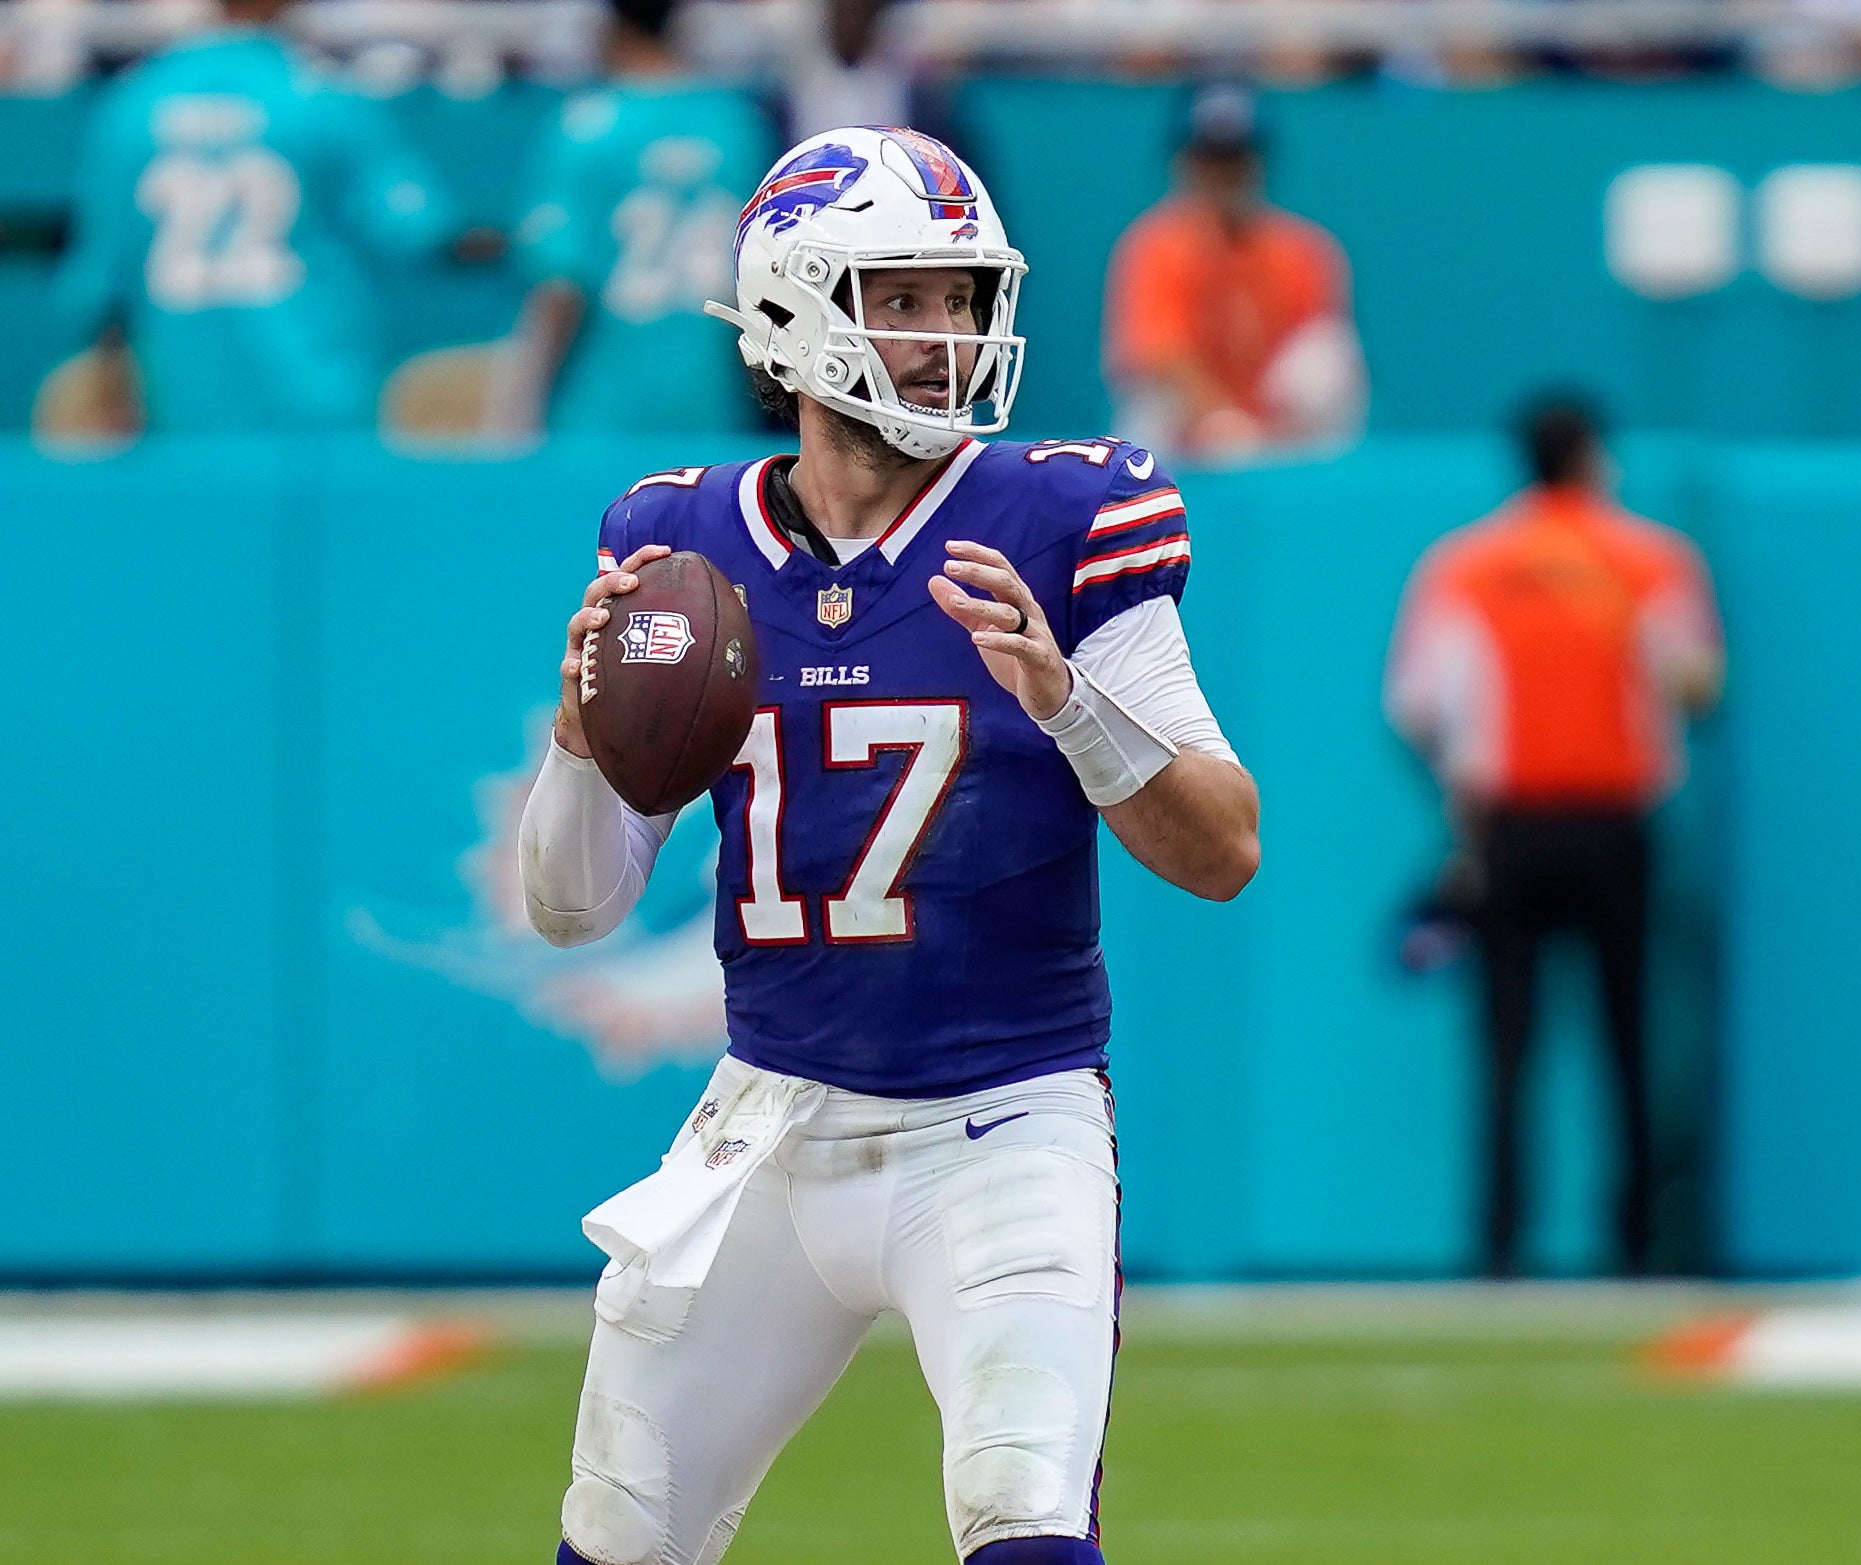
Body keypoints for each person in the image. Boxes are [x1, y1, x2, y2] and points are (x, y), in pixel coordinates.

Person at [519, 125, 1260, 1565]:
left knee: (1022, 1516)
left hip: (1003, 1124)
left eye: (961, 298)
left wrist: (1070, 705)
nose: (945, 335)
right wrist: (576, 740)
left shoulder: (1063, 519)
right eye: (904, 296)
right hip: (770, 1128)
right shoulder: (681, 546)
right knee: (617, 1536)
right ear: (795, 306)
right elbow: (574, 905)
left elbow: (1225, 845)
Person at [1384, 396, 1721, 1278]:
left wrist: (1463, 793)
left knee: (1506, 1045)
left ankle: (1501, 1245)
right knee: (1628, 1038)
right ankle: (1639, 1244)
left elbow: (1415, 707)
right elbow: (1699, 684)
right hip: (1617, 826)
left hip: (1508, 829)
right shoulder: (1651, 560)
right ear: (1595, 459)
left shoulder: (1463, 566)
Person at [49, 0, 481, 434]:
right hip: (316, 394)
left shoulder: (133, 105)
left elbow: (99, 287)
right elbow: (420, 229)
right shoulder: (321, 96)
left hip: (180, 405)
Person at [485, 0, 776, 437]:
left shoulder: (590, 125)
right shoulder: (737, 124)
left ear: (609, 25)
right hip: (713, 406)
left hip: (603, 412)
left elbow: (560, 286)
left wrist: (515, 408)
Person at [1102, 82, 1364, 462]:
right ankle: (1145, 503)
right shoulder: (1155, 244)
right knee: (1148, 402)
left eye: (1236, 158)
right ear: (1184, 163)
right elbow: (1160, 356)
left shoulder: (1303, 248)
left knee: (1327, 359)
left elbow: (1316, 359)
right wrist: (1221, 419)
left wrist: (1259, 433)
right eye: (1212, 159)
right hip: (1182, 433)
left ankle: (1311, 484)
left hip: (1275, 429)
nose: (1225, 174)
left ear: (1259, 163)